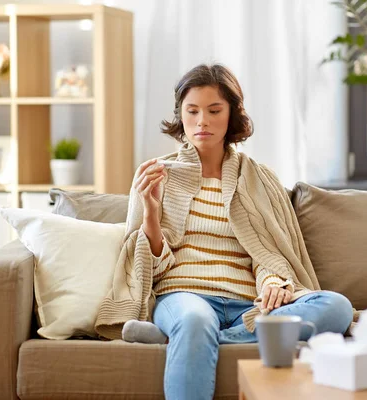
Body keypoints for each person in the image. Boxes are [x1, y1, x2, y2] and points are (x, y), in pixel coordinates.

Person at [121, 64, 353, 400]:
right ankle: (190, 331)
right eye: (193, 111)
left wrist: (274, 282)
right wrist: (151, 212)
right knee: (196, 320)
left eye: (214, 110)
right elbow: (147, 269)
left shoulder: (260, 180)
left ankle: (184, 337)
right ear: (180, 115)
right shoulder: (156, 176)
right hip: (185, 296)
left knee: (337, 307)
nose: (202, 121)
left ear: (232, 116)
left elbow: (268, 251)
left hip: (247, 305)